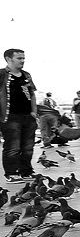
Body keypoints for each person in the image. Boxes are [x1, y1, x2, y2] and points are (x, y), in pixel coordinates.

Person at [1, 47, 38, 181]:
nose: (22, 61)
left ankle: (26, 171)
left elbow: (32, 94)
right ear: (8, 59)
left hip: (28, 117)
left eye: (23, 58)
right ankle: (11, 173)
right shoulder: (2, 74)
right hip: (10, 117)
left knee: (28, 147)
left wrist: (34, 112)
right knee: (13, 147)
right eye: (19, 58)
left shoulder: (26, 75)